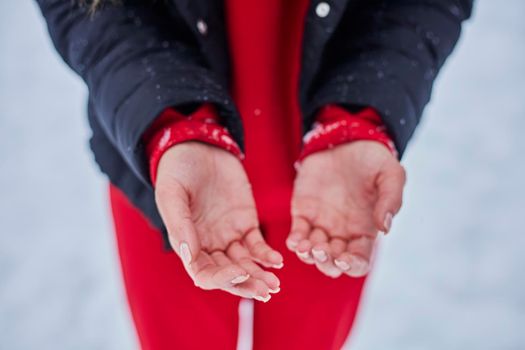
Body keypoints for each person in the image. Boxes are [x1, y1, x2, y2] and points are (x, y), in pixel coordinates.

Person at [36, 0, 473, 349]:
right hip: (170, 183)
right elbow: (89, 11)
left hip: (334, 200)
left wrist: (360, 112)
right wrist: (173, 123)